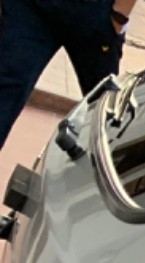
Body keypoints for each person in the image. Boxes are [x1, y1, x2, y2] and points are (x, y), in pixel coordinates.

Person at [0, 0, 136, 152]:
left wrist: (119, 16)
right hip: (32, 10)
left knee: (106, 112)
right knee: (6, 87)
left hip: (95, 15)